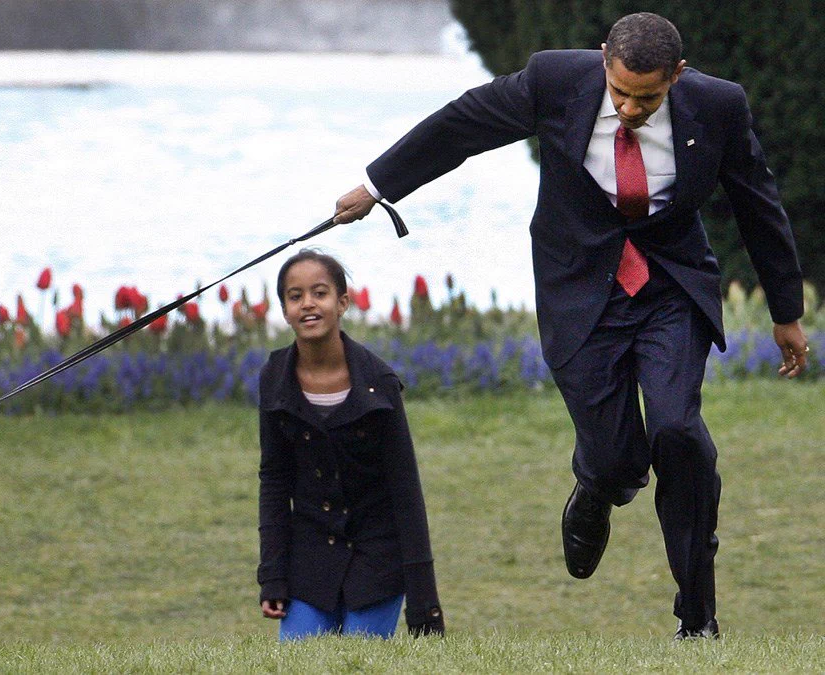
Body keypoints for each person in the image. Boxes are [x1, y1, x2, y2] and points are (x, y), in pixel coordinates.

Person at [332, 12, 810, 640]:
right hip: (580, 290)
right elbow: (462, 125)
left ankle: (698, 618)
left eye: (648, 98)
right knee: (616, 463)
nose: (630, 109)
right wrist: (377, 186)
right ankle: (595, 486)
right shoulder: (554, 81)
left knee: (677, 432)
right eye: (620, 92)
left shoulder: (718, 105)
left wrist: (786, 312)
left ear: (678, 75)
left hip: (670, 288)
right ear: (603, 57)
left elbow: (757, 202)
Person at [256, 249, 445, 640]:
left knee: (361, 660)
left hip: (378, 559)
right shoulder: (274, 377)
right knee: (299, 664)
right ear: (285, 310)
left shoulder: (380, 382)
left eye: (320, 293)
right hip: (309, 560)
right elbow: (274, 481)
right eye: (295, 296)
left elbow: (406, 490)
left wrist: (424, 601)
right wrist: (273, 575)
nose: (308, 304)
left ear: (342, 302)